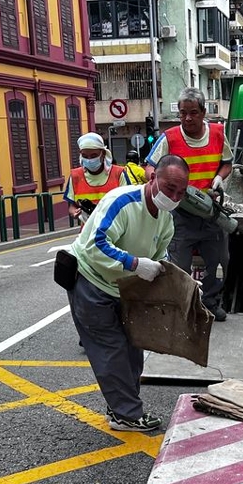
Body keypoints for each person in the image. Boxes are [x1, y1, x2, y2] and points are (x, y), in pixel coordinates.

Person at [67, 154, 190, 432]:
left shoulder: (165, 219)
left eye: (181, 192)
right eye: (170, 188)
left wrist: (179, 283)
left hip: (123, 288)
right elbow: (96, 244)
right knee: (111, 350)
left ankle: (121, 406)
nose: (174, 197)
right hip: (91, 280)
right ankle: (126, 414)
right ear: (153, 178)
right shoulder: (122, 202)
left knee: (133, 349)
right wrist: (134, 263)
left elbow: (161, 258)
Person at [145, 88, 233, 323]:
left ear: (203, 113)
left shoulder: (218, 133)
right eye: (183, 113)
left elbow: (227, 163)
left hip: (210, 210)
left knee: (219, 260)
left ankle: (210, 303)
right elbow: (150, 167)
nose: (187, 118)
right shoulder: (170, 138)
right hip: (180, 213)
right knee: (179, 265)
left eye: (193, 113)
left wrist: (220, 178)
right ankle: (183, 307)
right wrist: (161, 185)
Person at [64, 133, 128, 224]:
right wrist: (74, 212)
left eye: (94, 156)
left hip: (116, 228)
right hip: (88, 230)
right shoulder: (75, 176)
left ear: (103, 154)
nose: (89, 160)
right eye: (85, 156)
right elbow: (72, 206)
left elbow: (128, 204)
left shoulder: (118, 173)